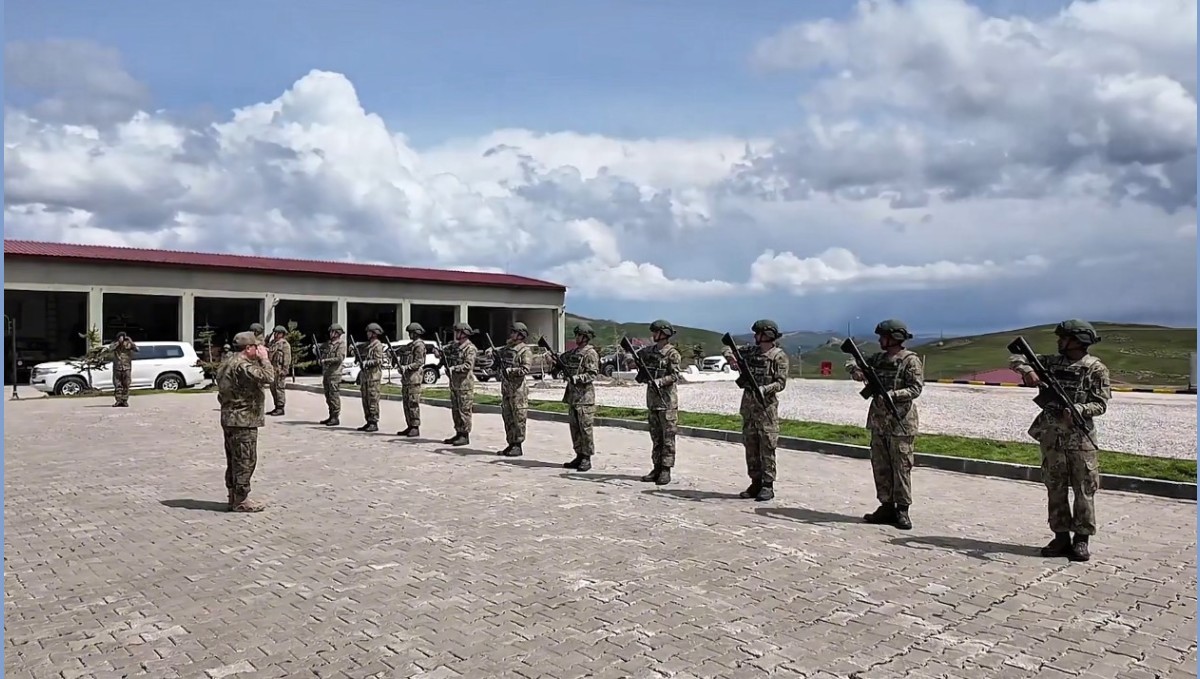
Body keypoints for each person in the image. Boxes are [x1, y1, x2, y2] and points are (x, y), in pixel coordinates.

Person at [1009, 319, 1112, 563]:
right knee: (1055, 488)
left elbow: (1101, 404)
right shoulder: (1050, 363)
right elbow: (1015, 357)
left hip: (1080, 440)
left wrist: (1080, 409)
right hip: (1052, 438)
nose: (1059, 341)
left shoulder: (1096, 369)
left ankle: (1081, 540)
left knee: (1084, 490)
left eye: (1064, 338)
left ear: (1078, 341)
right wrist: (1028, 371)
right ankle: (1061, 537)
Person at [846, 319, 925, 530]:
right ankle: (886, 505)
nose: (880, 340)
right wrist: (856, 371)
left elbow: (916, 388)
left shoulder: (910, 361)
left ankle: (902, 509)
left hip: (901, 422)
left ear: (894, 338)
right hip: (879, 421)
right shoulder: (878, 359)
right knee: (881, 465)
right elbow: (853, 363)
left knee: (901, 467)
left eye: (883, 337)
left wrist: (893, 395)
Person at [724, 319, 789, 501]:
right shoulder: (751, 351)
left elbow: (781, 383)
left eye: (758, 333)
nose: (755, 336)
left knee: (767, 445)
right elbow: (727, 348)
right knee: (750, 445)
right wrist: (732, 359)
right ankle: (755, 482)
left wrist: (765, 389)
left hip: (766, 407)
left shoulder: (778, 356)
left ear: (766, 335)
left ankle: (768, 485)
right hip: (749, 406)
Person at [216, 331, 276, 512]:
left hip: (230, 417)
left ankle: (233, 496)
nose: (259, 349)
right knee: (245, 460)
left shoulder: (227, 362)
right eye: (256, 346)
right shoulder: (242, 365)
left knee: (234, 459)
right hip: (243, 420)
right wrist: (265, 359)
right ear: (248, 348)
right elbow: (269, 377)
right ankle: (241, 500)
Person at [636, 320, 682, 484]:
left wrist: (660, 381)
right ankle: (656, 467)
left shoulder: (672, 354)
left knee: (667, 438)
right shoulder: (648, 351)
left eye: (656, 332)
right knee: (656, 437)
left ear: (664, 334)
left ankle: (665, 469)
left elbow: (675, 375)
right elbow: (635, 357)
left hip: (667, 402)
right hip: (653, 401)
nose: (653, 335)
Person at [561, 323, 601, 471]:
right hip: (573, 397)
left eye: (579, 335)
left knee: (585, 429)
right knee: (575, 428)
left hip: (584, 398)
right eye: (576, 335)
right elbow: (562, 361)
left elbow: (592, 374)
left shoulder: (590, 353)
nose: (576, 338)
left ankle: (586, 457)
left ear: (586, 337)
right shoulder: (573, 352)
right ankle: (578, 454)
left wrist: (577, 378)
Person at [496, 322, 534, 457]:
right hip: (507, 389)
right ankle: (511, 443)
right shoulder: (508, 348)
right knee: (508, 417)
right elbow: (499, 353)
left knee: (519, 418)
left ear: (520, 335)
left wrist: (511, 371)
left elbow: (525, 369)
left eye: (514, 332)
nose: (511, 334)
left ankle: (518, 445)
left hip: (518, 391)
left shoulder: (525, 351)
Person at [442, 322, 478, 446]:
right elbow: (445, 352)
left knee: (464, 410)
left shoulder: (470, 348)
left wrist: (454, 368)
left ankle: (464, 435)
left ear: (464, 333)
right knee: (456, 410)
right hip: (455, 384)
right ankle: (458, 432)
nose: (456, 334)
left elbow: (468, 365)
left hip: (464, 385)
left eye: (458, 332)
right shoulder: (455, 347)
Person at [396, 322, 428, 437]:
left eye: (411, 333)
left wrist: (407, 367)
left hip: (414, 378)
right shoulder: (411, 345)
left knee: (413, 402)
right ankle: (409, 425)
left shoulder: (419, 345)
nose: (410, 335)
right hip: (407, 378)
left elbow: (419, 362)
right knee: (406, 403)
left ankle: (415, 426)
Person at [357, 323, 387, 432]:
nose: (367, 334)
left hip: (373, 376)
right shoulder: (368, 345)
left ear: (374, 333)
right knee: (365, 400)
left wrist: (367, 363)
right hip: (366, 376)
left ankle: (374, 421)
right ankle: (368, 421)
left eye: (369, 332)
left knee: (372, 399)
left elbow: (379, 360)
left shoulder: (377, 345)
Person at [319, 324, 347, 426]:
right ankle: (331, 415)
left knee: (334, 396)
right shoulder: (328, 344)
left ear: (337, 333)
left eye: (332, 332)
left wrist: (326, 360)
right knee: (328, 395)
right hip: (327, 373)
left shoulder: (341, 344)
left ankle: (335, 417)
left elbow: (339, 358)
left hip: (335, 373)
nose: (330, 334)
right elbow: (323, 353)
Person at [107, 332, 139, 407]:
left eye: (122, 337)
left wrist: (131, 341)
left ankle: (124, 400)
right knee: (117, 385)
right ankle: (118, 400)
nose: (121, 338)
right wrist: (118, 343)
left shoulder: (128, 344)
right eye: (120, 337)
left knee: (126, 385)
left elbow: (137, 349)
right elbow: (110, 349)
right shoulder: (114, 344)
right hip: (117, 368)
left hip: (126, 367)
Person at [266, 325, 292, 416]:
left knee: (279, 389)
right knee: (273, 388)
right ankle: (276, 406)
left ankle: (280, 408)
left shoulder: (284, 344)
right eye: (275, 333)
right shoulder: (272, 343)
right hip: (272, 369)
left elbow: (287, 358)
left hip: (279, 369)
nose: (276, 335)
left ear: (282, 334)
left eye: (278, 333)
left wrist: (285, 369)